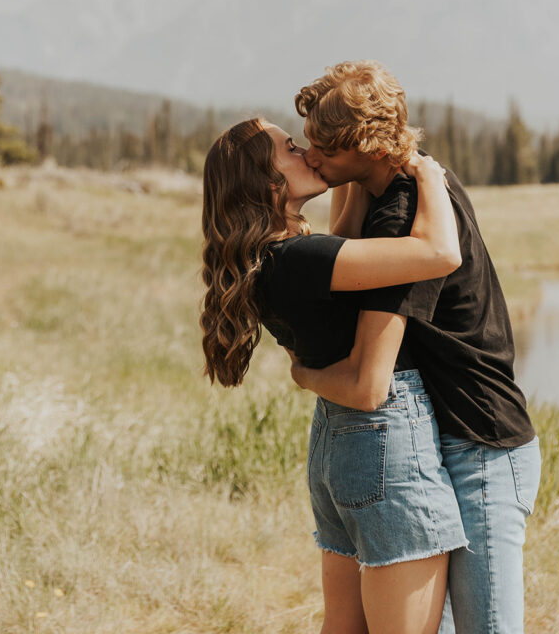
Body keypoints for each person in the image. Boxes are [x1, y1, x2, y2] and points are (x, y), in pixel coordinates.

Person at [290, 60, 542, 634]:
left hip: (481, 442)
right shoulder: (396, 187)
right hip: (444, 433)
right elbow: (343, 256)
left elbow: (366, 370)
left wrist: (303, 375)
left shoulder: (410, 213)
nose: (310, 157)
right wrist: (344, 178)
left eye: (324, 148)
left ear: (372, 146)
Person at [200, 118, 468, 634]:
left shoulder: (273, 259)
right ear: (267, 181)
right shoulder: (303, 259)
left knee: (342, 626)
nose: (308, 153)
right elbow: (440, 254)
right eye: (292, 149)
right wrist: (430, 176)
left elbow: (344, 244)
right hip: (385, 444)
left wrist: (354, 165)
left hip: (337, 447)